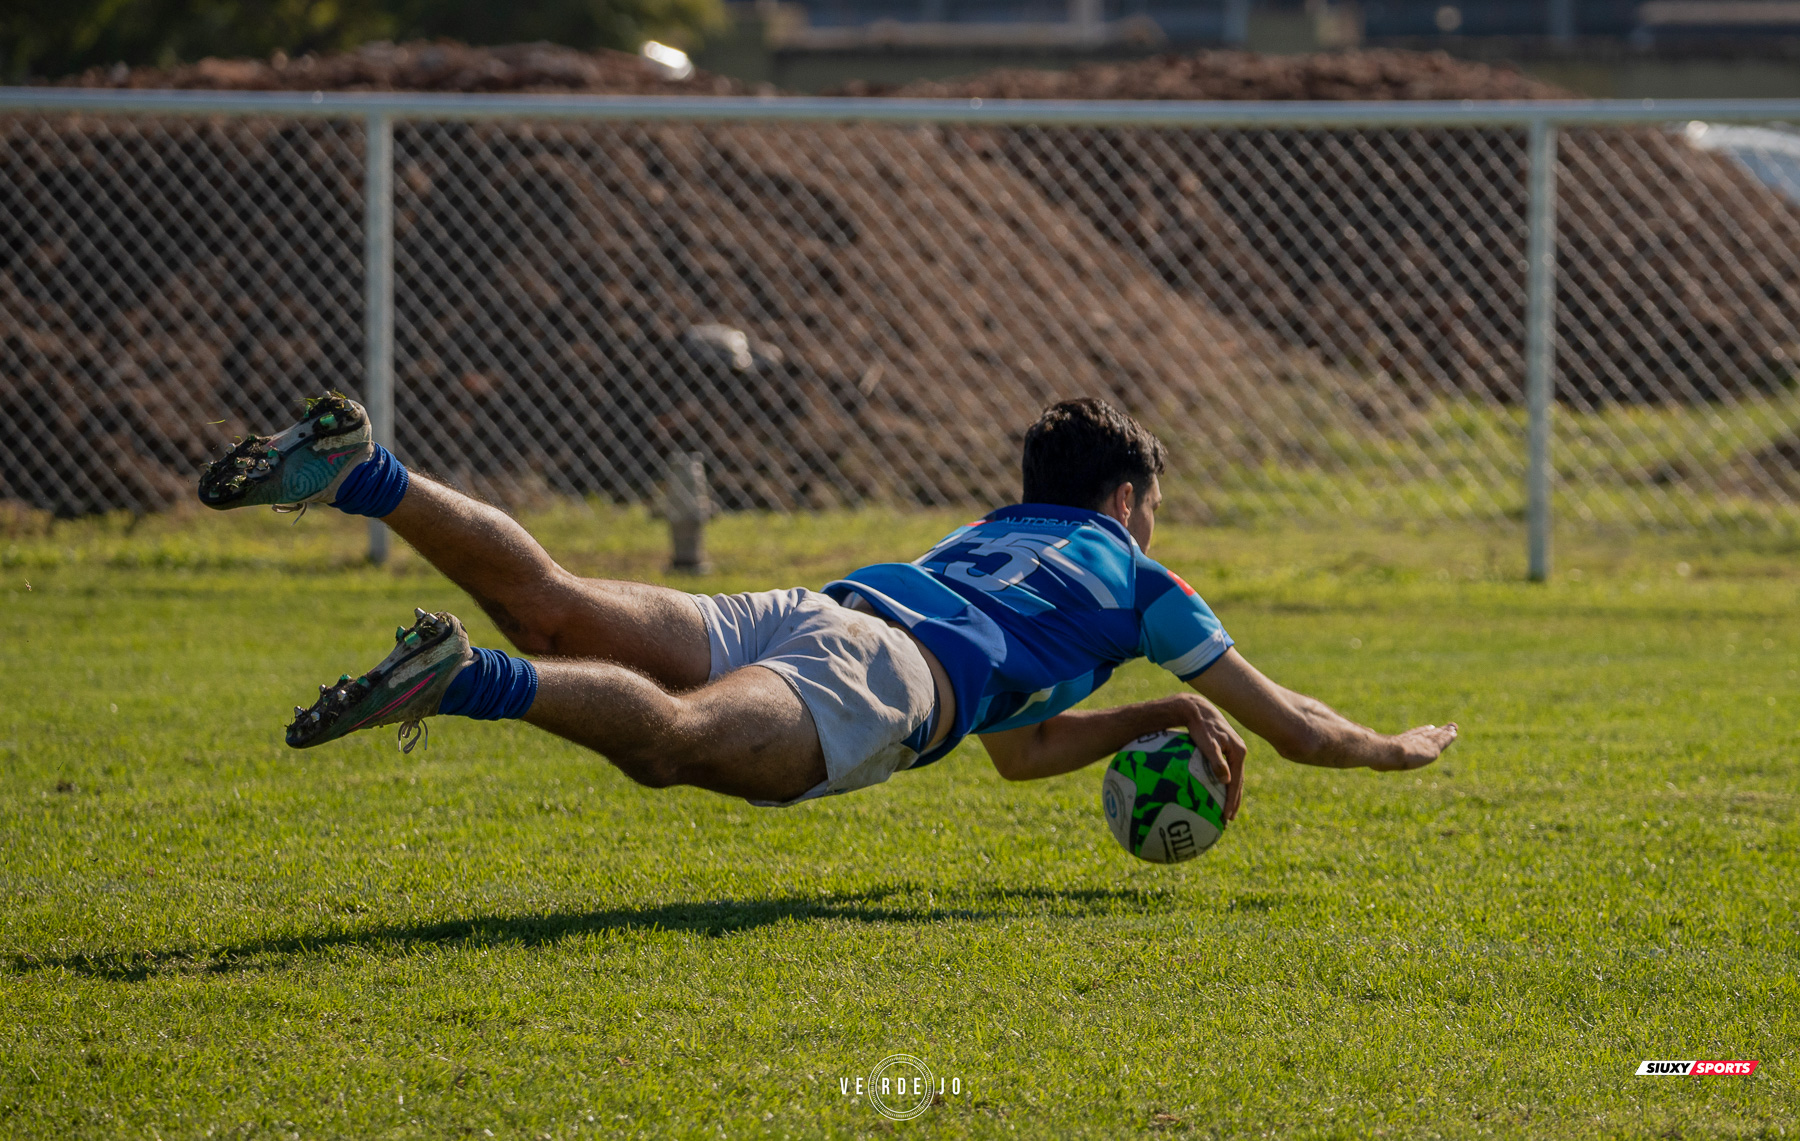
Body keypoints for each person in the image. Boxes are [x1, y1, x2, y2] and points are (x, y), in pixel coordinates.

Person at [199, 394, 1457, 811]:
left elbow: (1016, 753)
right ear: (1129, 497)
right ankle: (465, 681)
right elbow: (1294, 724)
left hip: (814, 607)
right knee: (679, 749)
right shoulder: (1140, 580)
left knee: (556, 599)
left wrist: (1147, 723)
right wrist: (1396, 745)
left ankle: (363, 471)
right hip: (885, 673)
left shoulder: (992, 531)